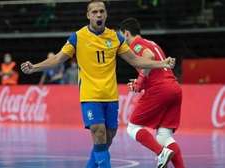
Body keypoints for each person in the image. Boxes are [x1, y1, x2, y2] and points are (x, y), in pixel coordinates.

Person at [21, 1, 175, 167]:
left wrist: (162, 63)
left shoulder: (115, 37)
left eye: (101, 11)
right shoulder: (78, 37)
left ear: (106, 14)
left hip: (110, 96)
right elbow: (58, 59)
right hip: (90, 95)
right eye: (94, 12)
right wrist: (34, 67)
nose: (99, 15)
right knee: (99, 132)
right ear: (88, 15)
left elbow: (135, 60)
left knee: (107, 139)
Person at [120, 18, 185, 168]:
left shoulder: (135, 44)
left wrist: (140, 82)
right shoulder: (152, 43)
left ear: (127, 33)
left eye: (122, 36)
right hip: (174, 88)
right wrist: (140, 84)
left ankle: (160, 153)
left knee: (132, 127)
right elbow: (157, 69)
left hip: (160, 90)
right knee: (164, 136)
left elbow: (148, 57)